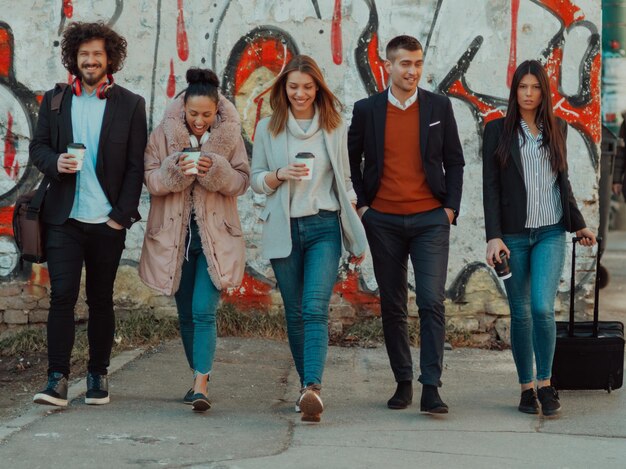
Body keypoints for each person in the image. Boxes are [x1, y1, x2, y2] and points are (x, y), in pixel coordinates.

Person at [29, 22, 147, 407]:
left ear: (109, 58)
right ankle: (57, 379)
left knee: (101, 299)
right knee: (62, 296)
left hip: (107, 222)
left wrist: (121, 217)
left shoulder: (130, 104)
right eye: (84, 54)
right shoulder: (55, 100)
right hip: (63, 218)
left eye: (97, 54)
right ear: (74, 59)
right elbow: (39, 147)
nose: (91, 60)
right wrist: (55, 162)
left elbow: (135, 167)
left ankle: (98, 374)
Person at [348, 35, 464, 414]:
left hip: (431, 219)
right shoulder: (367, 109)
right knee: (393, 304)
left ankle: (431, 386)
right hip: (383, 222)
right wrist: (364, 208)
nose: (412, 71)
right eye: (404, 64)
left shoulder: (438, 106)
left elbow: (455, 161)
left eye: (417, 64)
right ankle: (402, 381)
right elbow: (352, 159)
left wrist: (449, 209)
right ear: (388, 65)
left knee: (432, 301)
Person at [251, 55, 367, 423]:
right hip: (284, 227)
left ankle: (314, 387)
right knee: (295, 312)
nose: (300, 93)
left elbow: (345, 184)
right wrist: (279, 174)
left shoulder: (334, 127)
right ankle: (305, 389)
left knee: (315, 308)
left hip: (324, 227)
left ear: (318, 88)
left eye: (307, 86)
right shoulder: (268, 128)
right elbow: (255, 181)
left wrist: (355, 235)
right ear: (283, 90)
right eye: (293, 87)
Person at [483, 60, 596, 416]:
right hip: (513, 237)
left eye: (535, 88)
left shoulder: (557, 127)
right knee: (521, 312)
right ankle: (525, 387)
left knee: (542, 308)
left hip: (550, 232)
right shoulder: (497, 131)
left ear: (543, 92)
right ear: (514, 91)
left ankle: (546, 384)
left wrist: (578, 223)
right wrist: (493, 237)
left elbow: (562, 181)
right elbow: (490, 188)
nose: (529, 94)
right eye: (522, 88)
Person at [138, 68, 249, 412]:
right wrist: (173, 170)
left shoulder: (230, 137)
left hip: (216, 238)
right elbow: (151, 181)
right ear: (183, 109)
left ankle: (201, 384)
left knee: (203, 310)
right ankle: (198, 373)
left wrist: (216, 170)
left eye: (207, 114)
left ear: (217, 111)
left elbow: (242, 181)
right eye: (193, 114)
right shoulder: (162, 135)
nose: (199, 121)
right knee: (185, 313)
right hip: (176, 239)